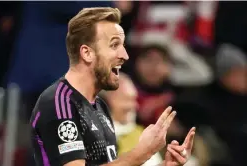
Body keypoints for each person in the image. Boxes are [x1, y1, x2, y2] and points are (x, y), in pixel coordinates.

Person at [30, 7, 196, 166]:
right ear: (87, 53)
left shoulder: (100, 107)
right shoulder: (61, 104)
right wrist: (142, 153)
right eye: (114, 45)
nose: (124, 55)